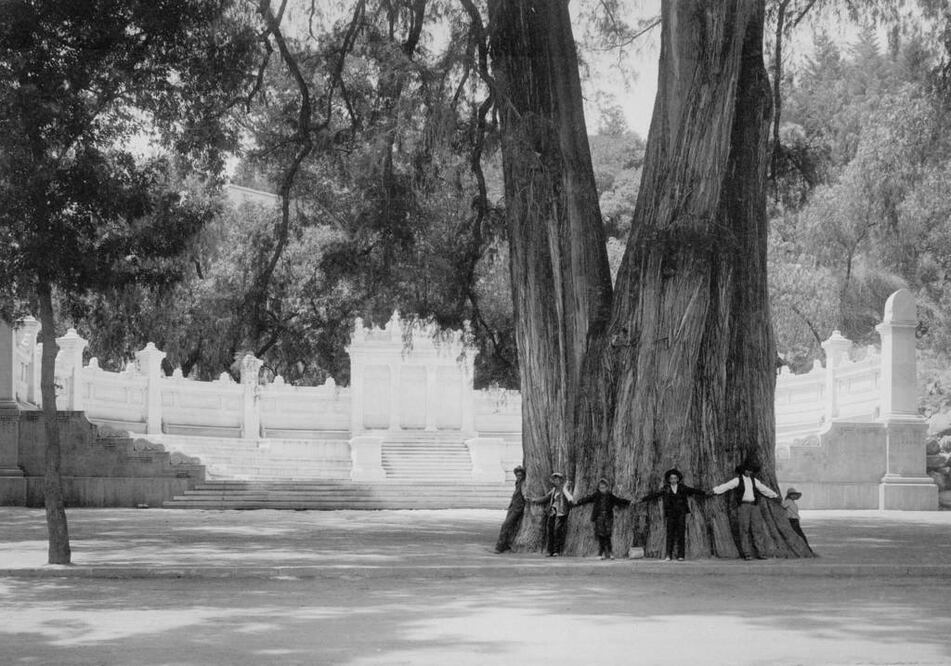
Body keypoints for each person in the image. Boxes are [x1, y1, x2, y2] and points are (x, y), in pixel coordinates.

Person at [712, 462, 779, 560]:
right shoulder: (737, 480)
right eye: (747, 470)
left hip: (754, 506)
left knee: (757, 529)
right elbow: (727, 486)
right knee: (744, 529)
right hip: (743, 506)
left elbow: (764, 489)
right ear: (743, 470)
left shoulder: (754, 480)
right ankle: (747, 553)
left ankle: (761, 552)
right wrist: (715, 490)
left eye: (751, 470)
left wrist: (775, 495)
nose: (749, 472)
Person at [639, 468, 707, 561]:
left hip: (681, 513)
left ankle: (681, 555)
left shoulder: (683, 487)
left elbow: (694, 490)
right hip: (671, 514)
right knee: (670, 534)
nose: (673, 480)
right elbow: (655, 494)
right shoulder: (666, 488)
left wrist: (705, 493)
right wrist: (642, 499)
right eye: (671, 478)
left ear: (678, 479)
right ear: (669, 480)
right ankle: (668, 555)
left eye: (675, 478)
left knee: (681, 534)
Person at [572, 478, 631, 560]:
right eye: (600, 488)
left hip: (608, 517)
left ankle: (610, 553)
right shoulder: (596, 495)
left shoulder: (610, 496)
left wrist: (629, 502)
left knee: (608, 535)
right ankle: (601, 553)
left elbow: (618, 500)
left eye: (604, 487)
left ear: (607, 487)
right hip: (599, 517)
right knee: (600, 535)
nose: (602, 489)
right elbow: (587, 499)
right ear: (598, 488)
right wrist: (577, 502)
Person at [531, 472, 574, 557]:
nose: (556, 481)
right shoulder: (554, 490)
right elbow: (546, 498)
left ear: (561, 480)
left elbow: (570, 499)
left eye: (558, 479)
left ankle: (556, 551)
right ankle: (549, 550)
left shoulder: (564, 489)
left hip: (561, 513)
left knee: (557, 530)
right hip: (553, 512)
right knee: (550, 530)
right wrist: (535, 500)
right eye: (555, 479)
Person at [495, 465, 528, 553]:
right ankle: (506, 544)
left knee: (505, 525)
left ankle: (500, 546)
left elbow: (524, 494)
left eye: (520, 475)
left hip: (518, 508)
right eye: (517, 475)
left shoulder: (523, 483)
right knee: (509, 526)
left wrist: (527, 499)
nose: (518, 477)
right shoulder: (517, 483)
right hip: (513, 507)